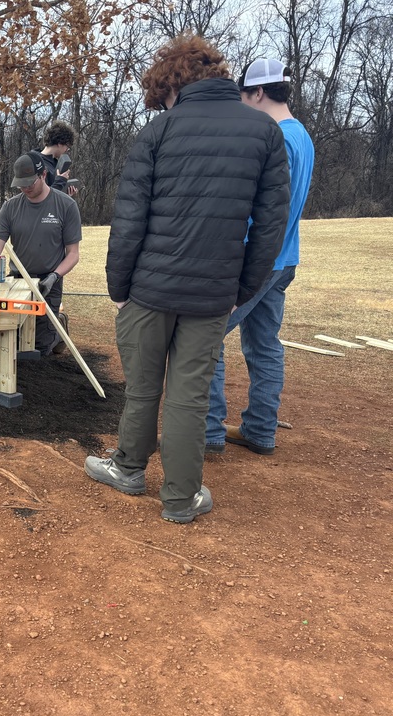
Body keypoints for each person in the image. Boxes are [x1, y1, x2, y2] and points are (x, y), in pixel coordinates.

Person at [83, 34, 290, 524]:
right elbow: (269, 228)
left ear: (171, 86)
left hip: (150, 289)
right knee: (189, 395)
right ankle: (180, 497)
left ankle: (130, 468)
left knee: (143, 385)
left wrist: (119, 288)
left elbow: (129, 222)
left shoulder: (158, 133)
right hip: (213, 293)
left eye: (162, 97)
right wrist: (239, 289)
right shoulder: (265, 134)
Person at [206, 59, 316, 456]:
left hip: (262, 261)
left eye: (244, 96)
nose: (242, 104)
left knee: (206, 336)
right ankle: (259, 430)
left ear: (257, 93)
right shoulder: (301, 134)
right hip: (284, 260)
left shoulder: (278, 138)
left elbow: (268, 211)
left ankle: (208, 432)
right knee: (264, 343)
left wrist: (239, 257)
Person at [0, 151, 81, 356]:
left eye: (30, 183)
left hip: (48, 282)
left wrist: (54, 276)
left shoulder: (66, 205)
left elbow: (73, 254)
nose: (25, 188)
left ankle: (58, 330)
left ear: (43, 175)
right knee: (1, 340)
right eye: (21, 184)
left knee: (38, 349)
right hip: (16, 281)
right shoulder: (10, 207)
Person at [37, 120, 78, 196]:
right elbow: (41, 198)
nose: (67, 150)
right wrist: (60, 181)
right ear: (60, 143)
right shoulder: (37, 164)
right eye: (67, 147)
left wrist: (66, 196)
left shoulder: (55, 163)